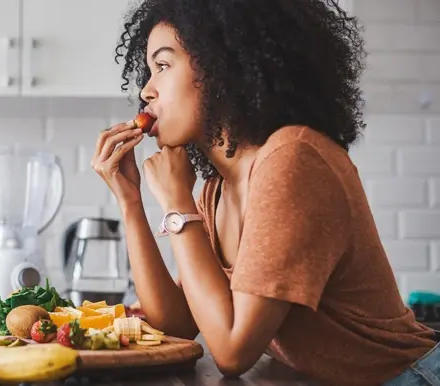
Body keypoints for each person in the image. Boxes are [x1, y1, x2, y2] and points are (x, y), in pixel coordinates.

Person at [90, 0, 440, 385]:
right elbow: (175, 324)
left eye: (163, 65)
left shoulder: (292, 159)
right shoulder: (216, 190)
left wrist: (177, 204)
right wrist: (130, 201)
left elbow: (232, 351)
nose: (146, 89)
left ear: (221, 66)